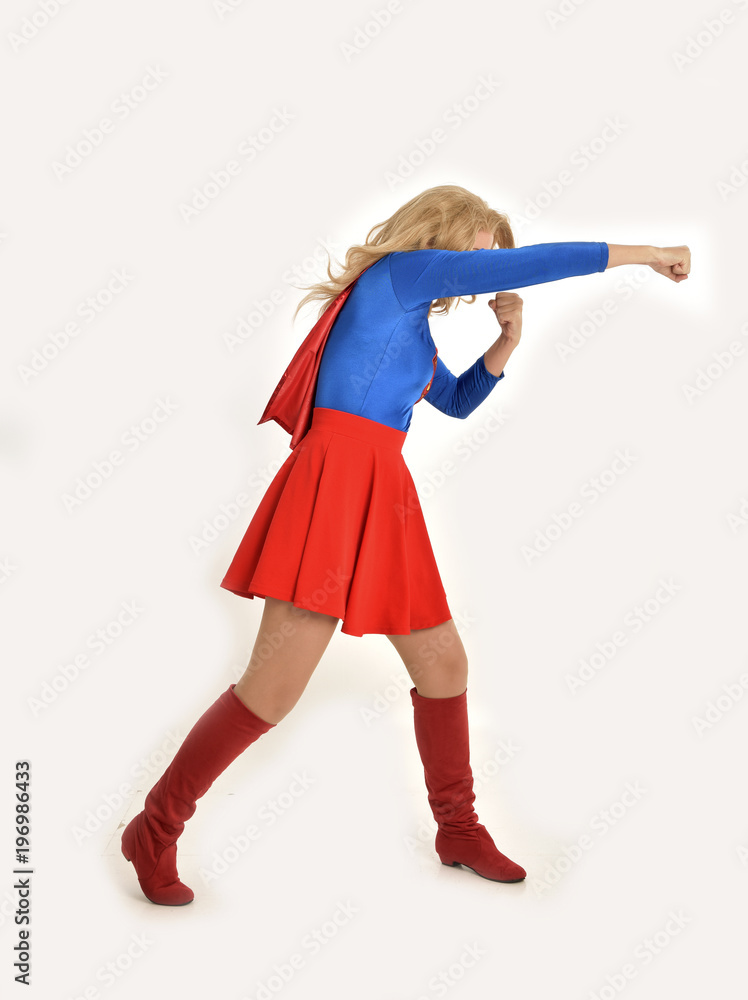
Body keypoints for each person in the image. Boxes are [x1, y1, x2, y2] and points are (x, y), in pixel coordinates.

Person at [120, 185, 690, 905]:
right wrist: (649, 254)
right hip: (334, 486)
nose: (487, 264)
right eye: (484, 244)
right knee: (270, 692)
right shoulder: (401, 274)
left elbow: (453, 401)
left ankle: (458, 829)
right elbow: (537, 263)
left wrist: (507, 342)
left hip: (383, 495)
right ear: (448, 228)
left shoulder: (414, 326)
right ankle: (154, 829)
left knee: (444, 664)